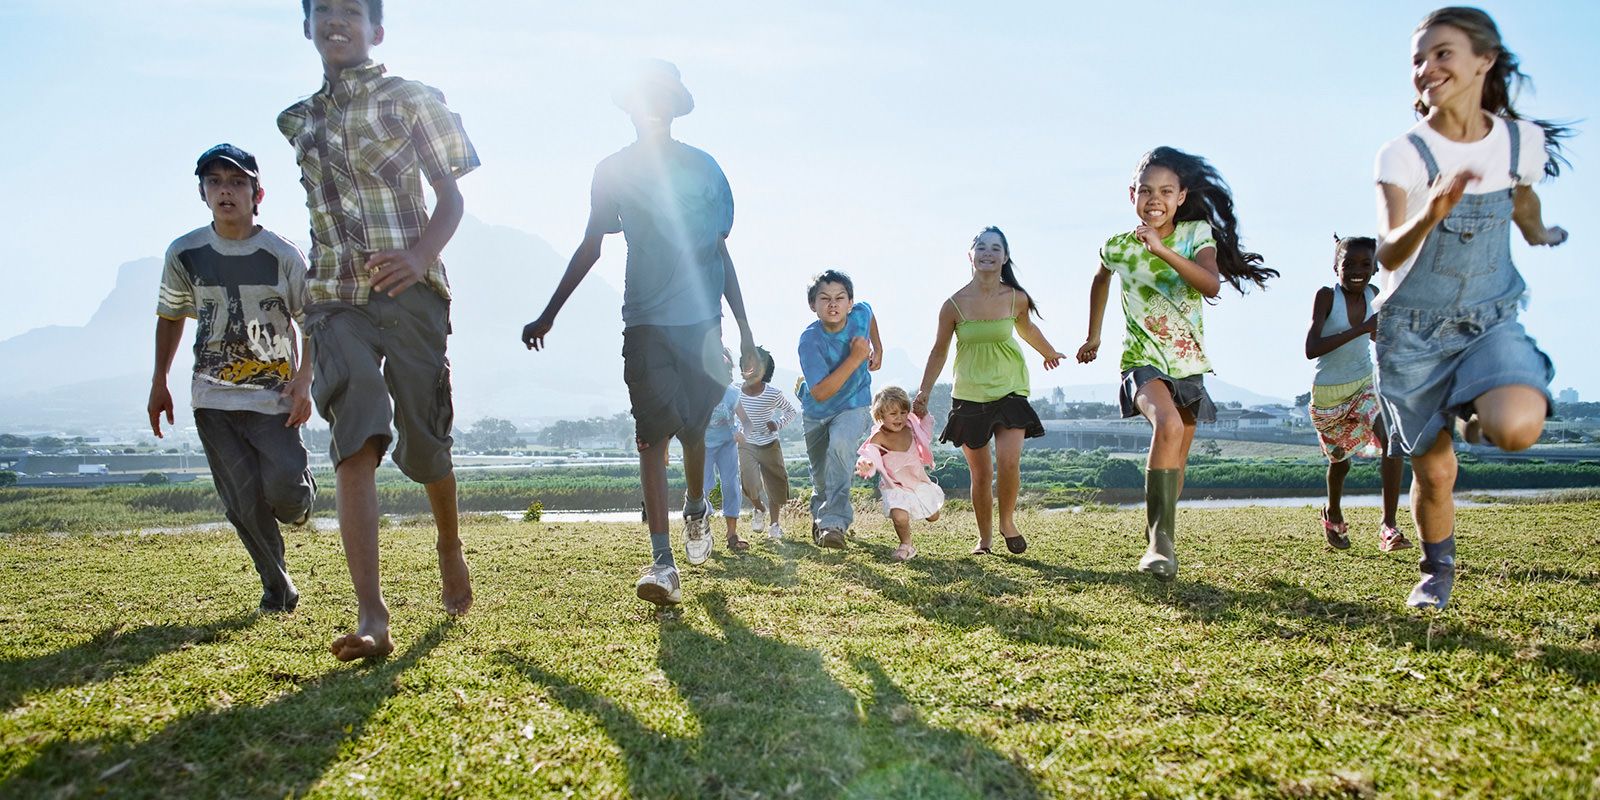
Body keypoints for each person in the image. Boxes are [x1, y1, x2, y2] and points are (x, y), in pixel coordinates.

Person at [280, 0, 480, 660]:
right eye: (324, 12)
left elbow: (450, 197)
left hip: (411, 291)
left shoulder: (410, 100)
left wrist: (421, 257)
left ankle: (448, 541)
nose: (337, 21)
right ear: (307, 28)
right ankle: (373, 614)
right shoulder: (300, 122)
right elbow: (319, 224)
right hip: (336, 297)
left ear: (376, 30)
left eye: (352, 12)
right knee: (356, 424)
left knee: (425, 442)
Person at [523, 59, 758, 607]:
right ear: (628, 106)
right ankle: (662, 561)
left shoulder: (704, 169)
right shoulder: (612, 171)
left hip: (702, 324)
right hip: (645, 321)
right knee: (652, 435)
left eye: (662, 97)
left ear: (676, 107)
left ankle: (696, 507)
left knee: (696, 430)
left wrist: (745, 330)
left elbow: (720, 251)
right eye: (641, 96)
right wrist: (550, 312)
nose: (651, 105)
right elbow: (591, 243)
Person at [1374, 7, 1568, 610]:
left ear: (1484, 60)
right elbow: (1386, 251)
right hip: (1410, 334)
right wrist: (1429, 214)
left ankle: (1471, 409)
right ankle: (1436, 573)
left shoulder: (1518, 141)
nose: (1427, 69)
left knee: (1515, 428)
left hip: (1488, 319)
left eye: (1442, 54)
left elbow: (1525, 202)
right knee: (1434, 472)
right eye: (1418, 60)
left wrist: (1539, 233)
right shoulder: (1403, 153)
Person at [1077, 147, 1277, 581]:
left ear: (1182, 196)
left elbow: (1210, 284)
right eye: (1146, 190)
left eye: (1166, 191)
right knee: (1166, 425)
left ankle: (1164, 536)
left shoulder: (1195, 234)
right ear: (1131, 193)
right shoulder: (1118, 246)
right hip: (1142, 360)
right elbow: (1100, 278)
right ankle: (1158, 544)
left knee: (1179, 454)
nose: (1155, 199)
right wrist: (1094, 335)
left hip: (1187, 364)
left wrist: (1162, 249)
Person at [149, 143, 315, 614]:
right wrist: (159, 381)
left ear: (256, 192)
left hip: (274, 399)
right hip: (212, 398)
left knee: (284, 491)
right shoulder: (185, 253)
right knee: (242, 501)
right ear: (203, 193)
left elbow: (313, 321)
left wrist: (304, 382)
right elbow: (170, 315)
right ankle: (278, 588)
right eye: (216, 182)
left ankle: (300, 500)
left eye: (237, 182)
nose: (226, 191)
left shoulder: (282, 254)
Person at [913, 227, 1065, 556]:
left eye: (996, 248)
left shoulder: (1015, 297)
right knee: (981, 473)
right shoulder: (953, 305)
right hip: (969, 393)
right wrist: (923, 391)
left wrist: (1048, 352)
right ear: (970, 255)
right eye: (981, 247)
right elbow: (939, 350)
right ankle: (984, 540)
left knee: (1009, 463)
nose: (988, 253)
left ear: (1005, 257)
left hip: (1010, 388)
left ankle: (1007, 522)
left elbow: (1027, 328)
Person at [1304, 235, 1408, 552]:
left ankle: (1388, 527)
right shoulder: (1325, 296)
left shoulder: (1375, 294)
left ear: (1376, 268)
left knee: (1391, 439)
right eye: (1349, 264)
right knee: (1341, 463)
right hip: (1328, 397)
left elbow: (1379, 336)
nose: (1357, 271)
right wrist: (1362, 329)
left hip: (1365, 384)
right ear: (1336, 267)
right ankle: (1332, 512)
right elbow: (1312, 349)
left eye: (1366, 264)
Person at [797, 270, 882, 549]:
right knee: (822, 475)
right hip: (817, 410)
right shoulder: (809, 341)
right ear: (813, 305)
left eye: (839, 298)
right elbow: (821, 392)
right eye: (824, 299)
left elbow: (869, 313)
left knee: (841, 447)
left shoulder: (858, 314)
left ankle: (834, 524)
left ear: (849, 302)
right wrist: (858, 356)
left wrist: (877, 347)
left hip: (854, 403)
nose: (833, 304)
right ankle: (821, 518)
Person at [856, 387, 944, 562]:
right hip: (895, 486)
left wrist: (924, 415)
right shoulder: (879, 437)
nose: (899, 418)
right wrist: (866, 465)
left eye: (903, 412)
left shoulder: (910, 427)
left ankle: (925, 508)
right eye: (893, 413)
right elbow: (869, 455)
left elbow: (926, 431)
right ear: (880, 414)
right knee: (899, 516)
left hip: (917, 481)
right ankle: (906, 545)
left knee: (933, 516)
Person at [736, 346, 797, 542]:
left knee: (775, 484)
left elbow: (791, 411)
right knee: (750, 483)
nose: (748, 365)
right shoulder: (736, 391)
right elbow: (729, 412)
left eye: (753, 362)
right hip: (747, 444)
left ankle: (774, 525)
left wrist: (777, 424)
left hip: (770, 444)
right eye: (745, 361)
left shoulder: (772, 394)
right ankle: (759, 509)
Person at [700, 350, 749, 552]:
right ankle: (702, 529)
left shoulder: (732, 393)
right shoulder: (697, 393)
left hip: (727, 444)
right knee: (703, 485)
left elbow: (746, 421)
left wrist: (742, 433)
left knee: (730, 484)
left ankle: (732, 534)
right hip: (702, 445)